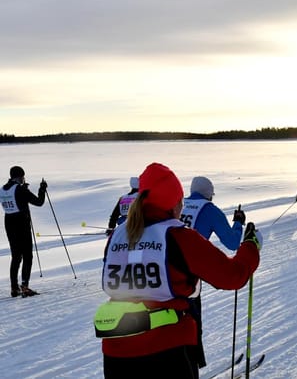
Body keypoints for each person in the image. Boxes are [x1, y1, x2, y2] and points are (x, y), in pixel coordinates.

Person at [95, 162, 261, 379]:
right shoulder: (178, 236)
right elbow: (232, 276)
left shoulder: (116, 236)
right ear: (173, 203)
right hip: (166, 352)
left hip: (116, 352)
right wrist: (251, 246)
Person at [180, 176, 246, 368]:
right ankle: (192, 367)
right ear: (209, 194)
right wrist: (238, 223)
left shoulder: (178, 205)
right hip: (190, 279)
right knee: (193, 326)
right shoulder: (209, 210)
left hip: (166, 275)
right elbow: (232, 243)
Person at [0, 166, 47, 297]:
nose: (23, 179)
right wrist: (42, 189)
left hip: (9, 223)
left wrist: (23, 190)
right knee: (27, 256)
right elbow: (39, 202)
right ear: (20, 177)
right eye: (23, 176)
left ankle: (14, 288)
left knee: (15, 257)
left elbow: (15, 199)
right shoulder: (20, 189)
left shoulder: (3, 189)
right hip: (22, 224)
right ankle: (25, 286)